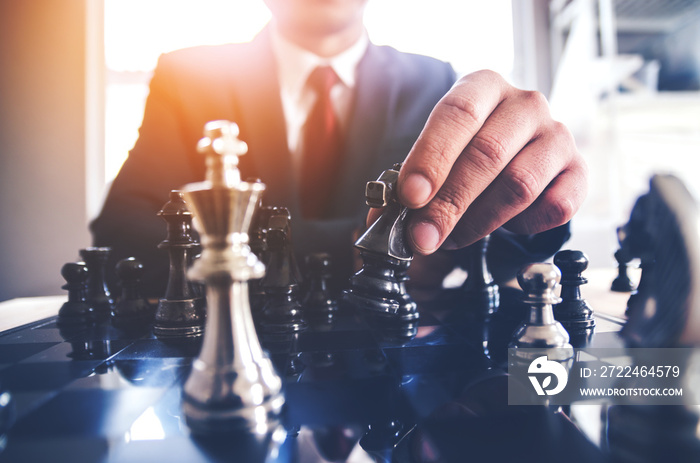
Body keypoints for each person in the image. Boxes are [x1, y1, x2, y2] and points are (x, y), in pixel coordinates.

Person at [91, 0, 587, 297]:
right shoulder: (188, 78)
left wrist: (534, 192)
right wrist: (357, 246)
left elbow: (487, 248)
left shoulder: (433, 81)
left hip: (385, 364)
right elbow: (123, 233)